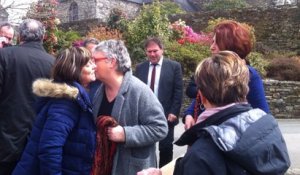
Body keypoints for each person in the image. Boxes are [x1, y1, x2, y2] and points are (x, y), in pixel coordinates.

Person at [139, 51, 290, 175]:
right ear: (246, 89)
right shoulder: (267, 124)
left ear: (202, 96)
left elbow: (206, 161)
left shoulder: (202, 153)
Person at [12, 47, 97, 175]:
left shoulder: (73, 97)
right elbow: (50, 148)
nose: (94, 67)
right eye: (88, 64)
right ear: (75, 70)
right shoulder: (66, 102)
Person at [92, 39, 168, 175]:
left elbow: (160, 128)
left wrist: (126, 134)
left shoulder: (139, 91)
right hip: (103, 166)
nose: (92, 65)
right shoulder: (100, 91)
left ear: (111, 61)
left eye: (95, 60)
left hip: (132, 169)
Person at [183, 19, 270, 130]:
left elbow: (263, 117)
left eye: (216, 43)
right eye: (212, 42)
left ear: (230, 45)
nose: (211, 47)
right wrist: (189, 114)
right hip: (206, 135)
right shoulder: (213, 70)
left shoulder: (249, 75)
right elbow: (204, 97)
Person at [0, 19, 54, 175]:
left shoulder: (4, 56)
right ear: (42, 37)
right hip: (36, 141)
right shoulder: (53, 63)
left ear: (19, 37)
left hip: (5, 142)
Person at [135, 37, 183, 167]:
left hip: (167, 115)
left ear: (162, 50)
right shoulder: (140, 68)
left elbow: (178, 91)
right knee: (146, 147)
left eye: (155, 51)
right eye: (149, 51)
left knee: (166, 148)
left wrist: (174, 111)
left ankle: (164, 171)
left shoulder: (174, 67)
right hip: (144, 115)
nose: (152, 54)